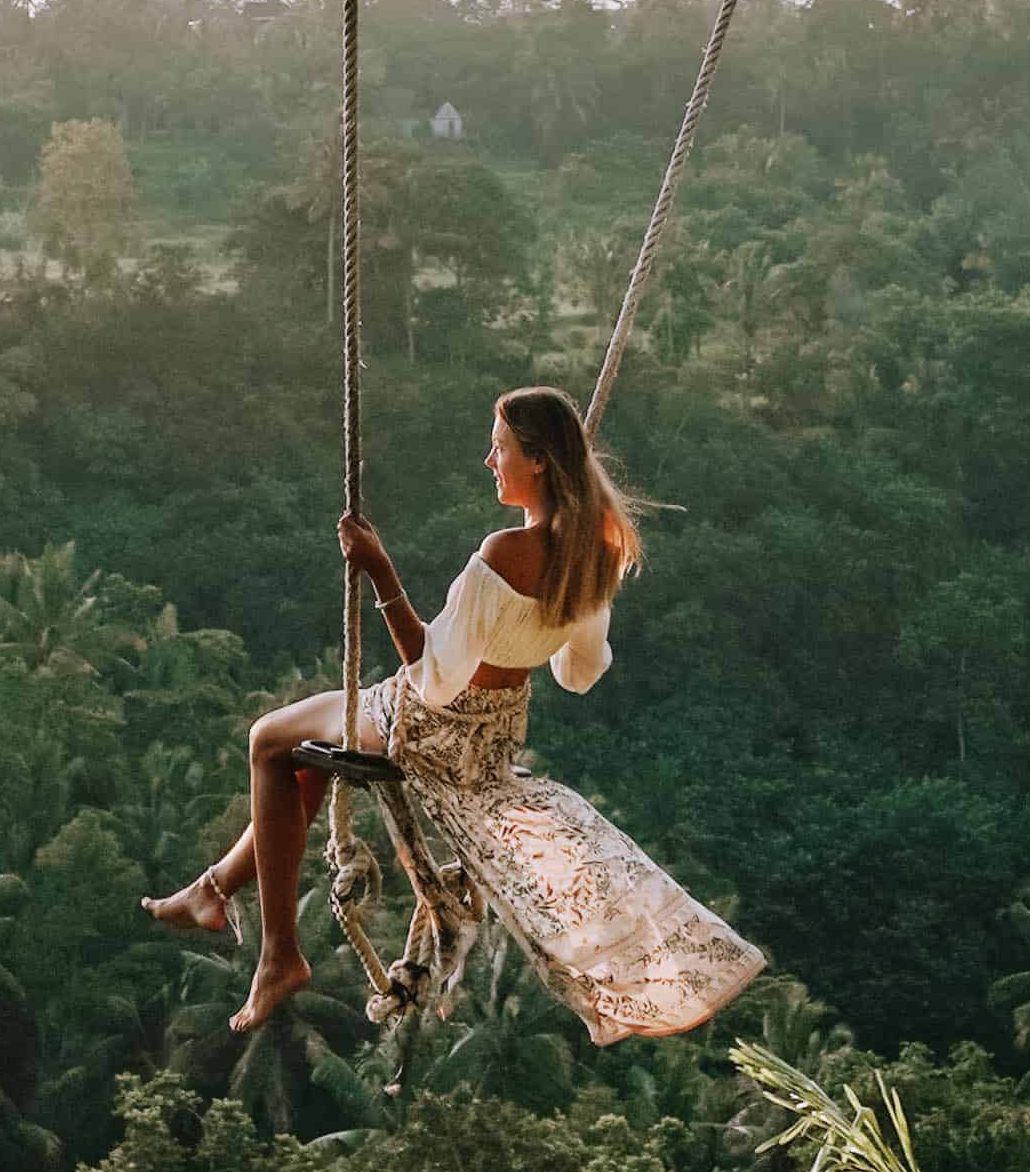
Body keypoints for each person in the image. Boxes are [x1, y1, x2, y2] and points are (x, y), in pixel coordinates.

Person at [145, 381, 762, 1047]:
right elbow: (579, 671)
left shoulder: (501, 554)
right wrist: (536, 634)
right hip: (490, 743)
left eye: (498, 448)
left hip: (424, 727)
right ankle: (213, 890)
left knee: (268, 738)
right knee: (306, 755)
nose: (487, 460)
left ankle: (277, 953)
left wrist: (380, 570)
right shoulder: (595, 553)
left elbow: (432, 678)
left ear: (538, 462)